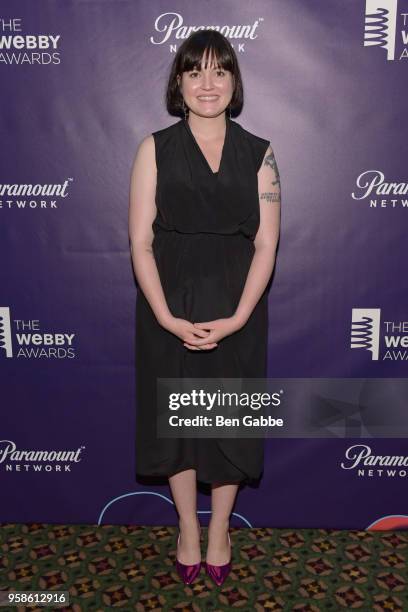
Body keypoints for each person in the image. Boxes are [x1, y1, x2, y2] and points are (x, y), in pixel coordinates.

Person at [128, 30, 281, 586]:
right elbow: (140, 242)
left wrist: (240, 316)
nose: (207, 83)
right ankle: (187, 530)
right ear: (179, 82)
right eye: (195, 72)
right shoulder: (154, 148)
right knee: (181, 423)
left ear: (235, 81)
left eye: (219, 71)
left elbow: (266, 243)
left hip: (237, 306)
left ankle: (219, 531)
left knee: (227, 421)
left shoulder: (260, 152)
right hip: (168, 306)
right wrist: (167, 317)